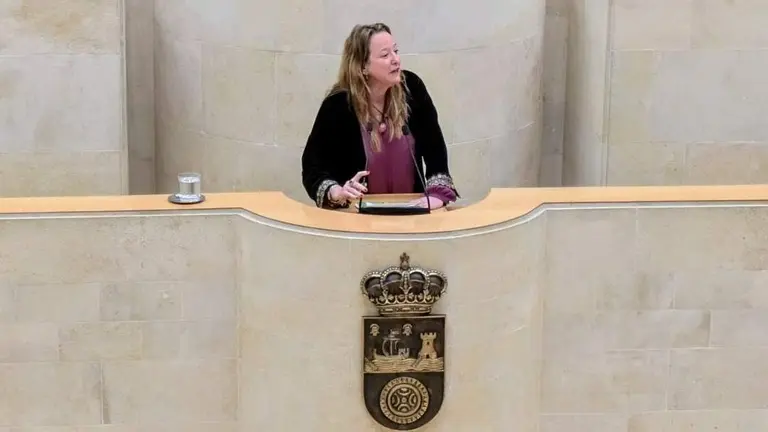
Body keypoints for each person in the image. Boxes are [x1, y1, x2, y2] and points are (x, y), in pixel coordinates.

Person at [301, 23, 459, 210]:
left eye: (396, 51)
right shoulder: (338, 105)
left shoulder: (412, 89)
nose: (396, 60)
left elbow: (435, 149)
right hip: (357, 217)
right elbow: (313, 167)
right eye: (385, 55)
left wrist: (436, 195)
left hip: (411, 212)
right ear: (362, 67)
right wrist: (336, 192)